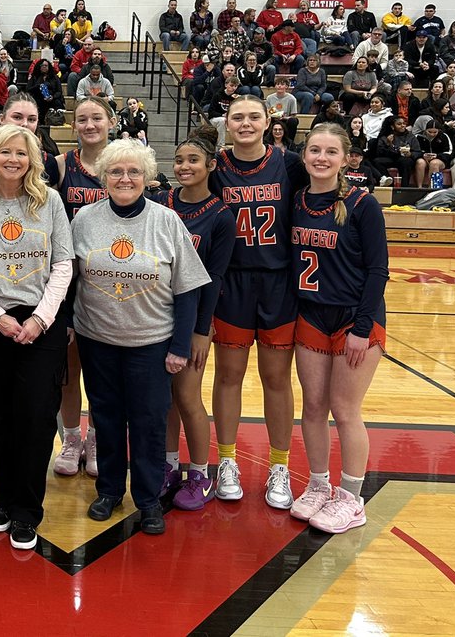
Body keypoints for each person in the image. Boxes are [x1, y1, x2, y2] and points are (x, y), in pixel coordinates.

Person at [72, 139, 210, 535]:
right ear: (103, 177)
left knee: (149, 423)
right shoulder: (83, 219)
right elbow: (70, 279)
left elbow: (188, 289)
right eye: (116, 171)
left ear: (147, 177)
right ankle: (110, 490)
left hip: (151, 344)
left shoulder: (167, 222)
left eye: (134, 171)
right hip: (97, 341)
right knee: (106, 419)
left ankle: (148, 499)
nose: (125, 178)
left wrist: (180, 347)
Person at [0, 125, 72, 549]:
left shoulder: (50, 202)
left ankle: (27, 509)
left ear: (33, 159)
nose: (13, 159)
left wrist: (40, 319)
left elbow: (63, 264)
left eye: (21, 153)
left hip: (42, 322)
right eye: (5, 151)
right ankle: (0, 499)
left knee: (37, 418)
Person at [289, 124, 388, 534]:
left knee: (345, 410)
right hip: (311, 314)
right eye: (314, 150)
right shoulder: (296, 201)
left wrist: (362, 329)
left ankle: (352, 497)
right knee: (312, 407)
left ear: (347, 158)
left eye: (331, 151)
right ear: (305, 155)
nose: (321, 158)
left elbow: (378, 269)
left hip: (355, 319)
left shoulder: (364, 204)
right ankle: (317, 484)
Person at [210, 94, 307, 509]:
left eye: (253, 117)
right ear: (226, 123)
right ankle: (227, 462)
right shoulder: (216, 167)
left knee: (276, 379)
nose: (245, 124)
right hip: (231, 283)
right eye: (237, 118)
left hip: (278, 283)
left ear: (269, 121)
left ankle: (280, 466)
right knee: (229, 376)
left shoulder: (289, 164)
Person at [153, 126, 236, 510]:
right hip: (153, 312)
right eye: (180, 160)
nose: (184, 166)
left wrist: (202, 330)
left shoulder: (221, 215)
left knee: (187, 395)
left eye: (193, 160)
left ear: (211, 165)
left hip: (193, 318)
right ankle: (169, 466)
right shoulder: (160, 200)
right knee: (164, 398)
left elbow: (215, 277)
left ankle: (201, 473)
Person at [50, 97, 116, 477]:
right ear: (74, 126)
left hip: (113, 278)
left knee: (103, 371)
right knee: (68, 370)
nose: (89, 125)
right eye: (82, 119)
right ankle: (72, 438)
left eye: (96, 118)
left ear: (110, 121)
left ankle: (97, 439)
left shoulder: (125, 162)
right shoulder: (60, 166)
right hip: (70, 278)